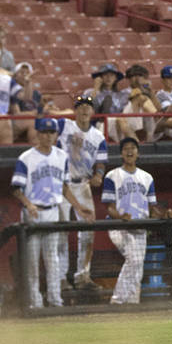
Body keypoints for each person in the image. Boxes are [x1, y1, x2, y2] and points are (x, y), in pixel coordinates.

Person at [12, 118, 94, 308]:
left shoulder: (61, 156)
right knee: (32, 263)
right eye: (44, 132)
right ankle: (35, 303)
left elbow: (64, 187)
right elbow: (16, 188)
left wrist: (78, 208)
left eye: (51, 133)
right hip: (32, 214)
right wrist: (28, 204)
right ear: (37, 134)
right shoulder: (26, 158)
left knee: (53, 260)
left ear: (56, 135)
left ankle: (55, 301)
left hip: (53, 212)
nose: (48, 136)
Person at [101, 137, 171, 304]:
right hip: (118, 226)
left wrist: (164, 214)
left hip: (140, 226)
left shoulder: (147, 177)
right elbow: (109, 207)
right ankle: (117, 301)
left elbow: (152, 207)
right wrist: (120, 217)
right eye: (126, 148)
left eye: (133, 148)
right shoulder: (112, 176)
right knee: (134, 259)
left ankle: (132, 302)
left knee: (137, 266)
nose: (130, 151)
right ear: (121, 153)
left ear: (138, 153)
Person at [56, 95, 107, 290]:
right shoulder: (64, 125)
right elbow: (42, 124)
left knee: (88, 231)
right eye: (81, 106)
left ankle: (83, 276)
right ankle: (60, 278)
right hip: (62, 184)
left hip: (83, 184)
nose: (85, 110)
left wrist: (99, 175)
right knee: (60, 232)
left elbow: (101, 162)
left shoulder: (98, 136)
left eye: (88, 106)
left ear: (93, 111)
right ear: (75, 110)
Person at [10, 62, 42, 143]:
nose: (25, 75)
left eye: (27, 73)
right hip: (17, 122)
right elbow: (16, 114)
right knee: (33, 122)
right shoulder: (14, 90)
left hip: (33, 119)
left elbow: (41, 111)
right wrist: (32, 114)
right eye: (21, 72)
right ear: (15, 76)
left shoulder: (36, 94)